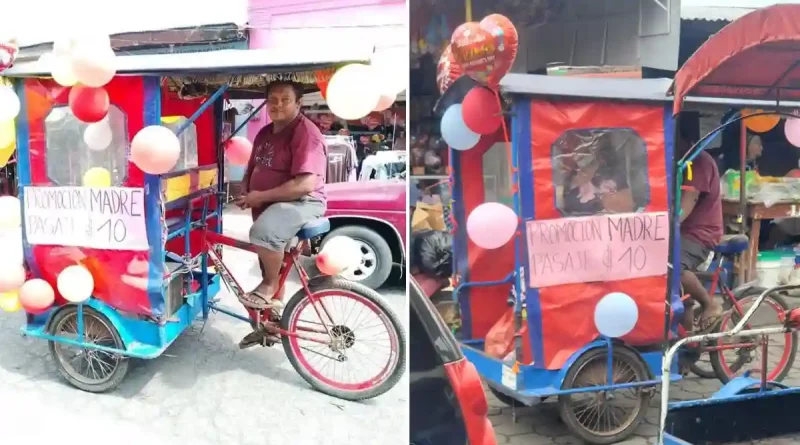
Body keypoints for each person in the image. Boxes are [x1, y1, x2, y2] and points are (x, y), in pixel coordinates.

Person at [237, 80, 327, 345]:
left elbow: (305, 184)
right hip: (271, 205)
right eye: (272, 100)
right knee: (274, 261)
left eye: (285, 100)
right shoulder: (265, 132)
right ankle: (272, 325)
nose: (277, 105)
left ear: (298, 103)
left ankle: (267, 287)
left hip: (304, 202)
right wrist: (247, 191)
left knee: (263, 233)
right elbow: (253, 167)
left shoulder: (304, 133)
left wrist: (260, 196)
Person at [677, 112, 724, 332]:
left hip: (700, 234)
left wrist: (664, 225)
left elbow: (687, 201)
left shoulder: (698, 161)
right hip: (682, 233)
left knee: (673, 267)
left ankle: (709, 303)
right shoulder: (680, 161)